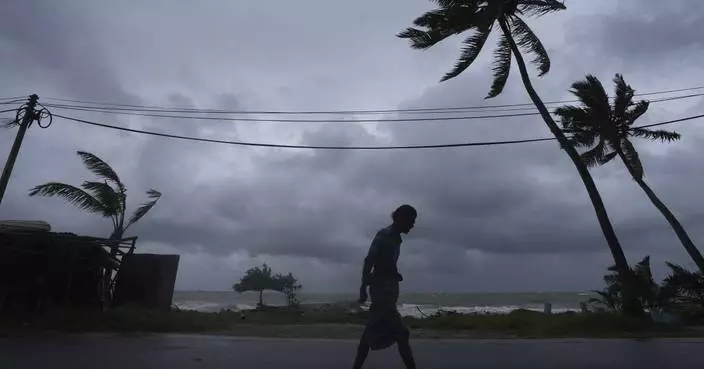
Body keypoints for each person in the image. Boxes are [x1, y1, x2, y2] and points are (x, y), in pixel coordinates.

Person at [352, 204, 417, 369]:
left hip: (388, 291)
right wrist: (363, 287)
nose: (412, 225)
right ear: (400, 218)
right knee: (402, 333)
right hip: (382, 293)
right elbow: (370, 260)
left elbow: (384, 264)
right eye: (411, 220)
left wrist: (395, 274)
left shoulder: (396, 238)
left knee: (369, 333)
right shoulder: (384, 235)